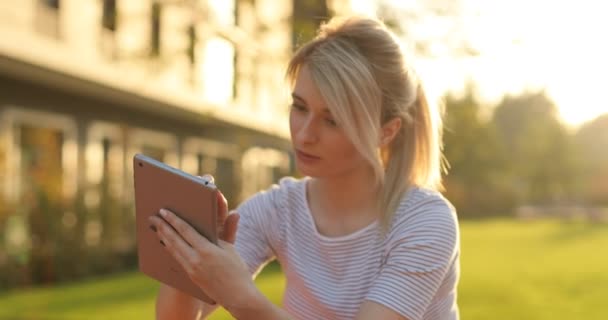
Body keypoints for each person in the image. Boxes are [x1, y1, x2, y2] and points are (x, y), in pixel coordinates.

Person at [149, 15, 460, 320]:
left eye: (332, 120)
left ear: (386, 131)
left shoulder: (425, 221)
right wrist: (187, 250)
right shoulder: (277, 209)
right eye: (299, 107)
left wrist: (241, 298)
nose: (305, 133)